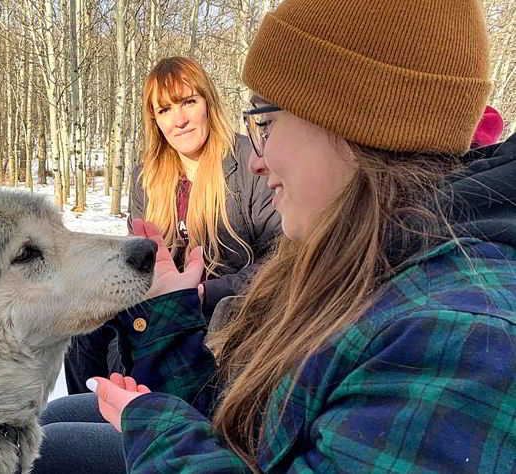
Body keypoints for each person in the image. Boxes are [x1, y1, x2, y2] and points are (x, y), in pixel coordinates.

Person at [81, 0, 516, 472]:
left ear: (354, 122)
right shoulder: (352, 256)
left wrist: (156, 427)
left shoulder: (455, 340)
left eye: (266, 123)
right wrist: (167, 316)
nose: (256, 158)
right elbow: (251, 428)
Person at [62, 56, 280, 396]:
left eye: (188, 102)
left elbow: (280, 262)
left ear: (207, 102)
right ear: (155, 121)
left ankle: (143, 422)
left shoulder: (249, 163)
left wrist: (204, 292)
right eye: (164, 110)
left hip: (225, 309)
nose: (178, 120)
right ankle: (93, 414)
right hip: (158, 301)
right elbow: (138, 262)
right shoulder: (146, 178)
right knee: (85, 327)